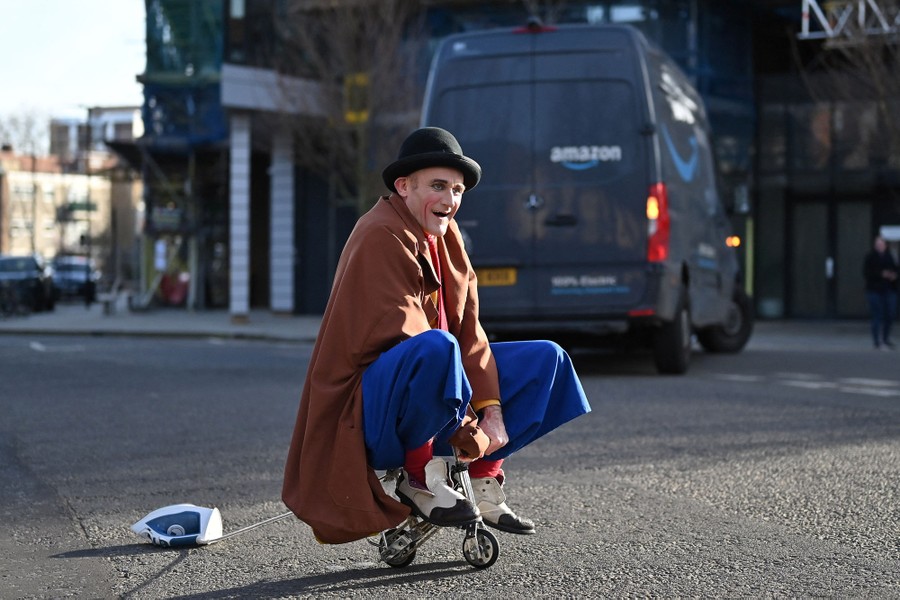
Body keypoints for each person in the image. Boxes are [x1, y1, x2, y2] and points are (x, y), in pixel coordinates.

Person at [282, 127, 591, 544]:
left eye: (458, 190)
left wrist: (493, 412)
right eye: (438, 186)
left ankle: (482, 476)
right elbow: (411, 339)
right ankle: (418, 477)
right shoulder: (379, 234)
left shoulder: (447, 236)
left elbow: (470, 331)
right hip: (368, 410)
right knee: (436, 346)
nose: (450, 200)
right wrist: (468, 428)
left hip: (432, 388)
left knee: (547, 359)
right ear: (403, 186)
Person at [863, 235, 898, 350]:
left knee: (890, 314)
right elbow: (867, 273)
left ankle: (886, 339)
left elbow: (895, 269)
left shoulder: (890, 256)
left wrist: (893, 275)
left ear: (885, 245)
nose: (879, 246)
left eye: (881, 244)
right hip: (874, 290)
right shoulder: (870, 257)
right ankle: (877, 341)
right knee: (877, 315)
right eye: (877, 244)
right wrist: (881, 274)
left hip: (889, 289)